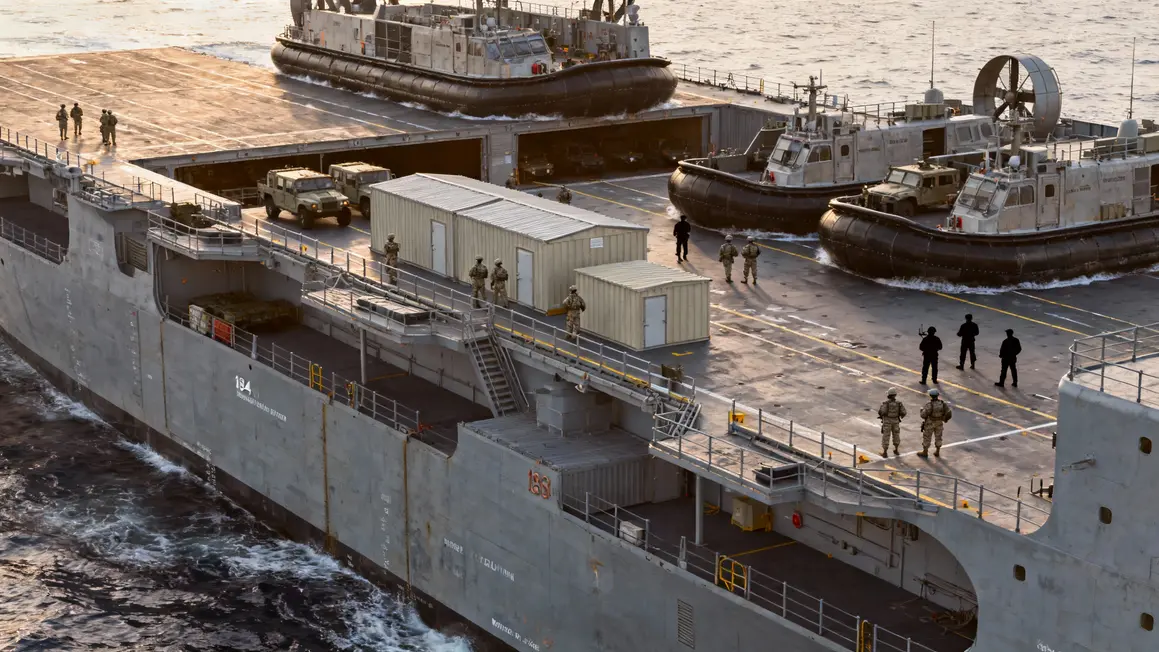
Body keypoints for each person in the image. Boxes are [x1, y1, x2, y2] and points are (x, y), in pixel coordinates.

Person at [917, 388, 952, 457]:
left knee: (927, 437)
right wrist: (945, 419)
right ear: (938, 395)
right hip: (939, 423)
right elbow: (949, 412)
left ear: (931, 396)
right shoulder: (942, 403)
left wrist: (921, 410)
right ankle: (937, 451)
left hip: (930, 423)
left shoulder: (929, 405)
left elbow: (923, 415)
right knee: (938, 437)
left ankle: (925, 452)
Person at [877, 388, 907, 457]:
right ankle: (896, 450)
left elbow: (882, 412)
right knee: (896, 435)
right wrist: (899, 415)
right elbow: (904, 412)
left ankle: (885, 452)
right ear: (895, 395)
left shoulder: (886, 403)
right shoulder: (899, 403)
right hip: (896, 421)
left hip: (887, 421)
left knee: (886, 436)